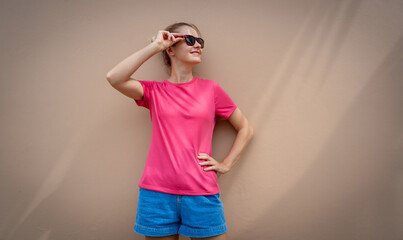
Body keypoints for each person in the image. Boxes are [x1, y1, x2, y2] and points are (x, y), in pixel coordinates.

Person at [106, 22, 254, 240]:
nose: (198, 46)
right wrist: (155, 46)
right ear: (171, 48)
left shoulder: (211, 89)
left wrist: (225, 164)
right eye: (190, 40)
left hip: (201, 193)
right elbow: (114, 78)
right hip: (156, 195)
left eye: (200, 42)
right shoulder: (154, 91)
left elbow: (245, 128)